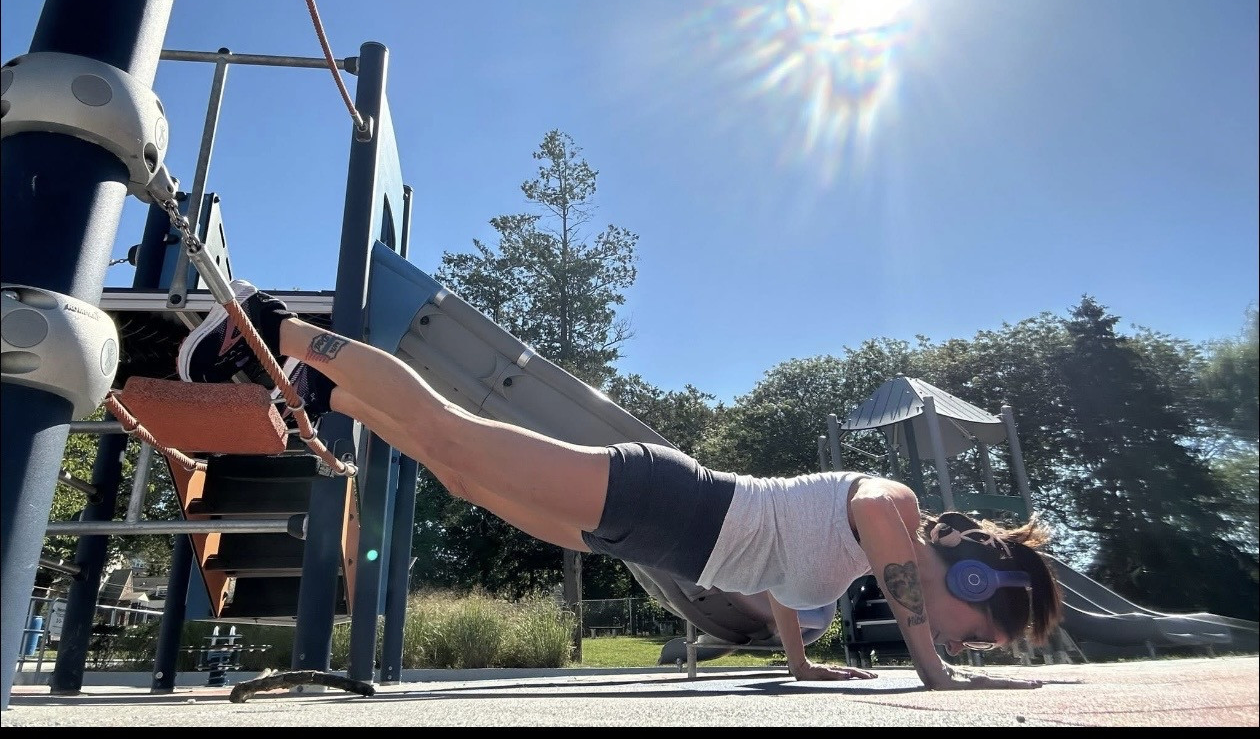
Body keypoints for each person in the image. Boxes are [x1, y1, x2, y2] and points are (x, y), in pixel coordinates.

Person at [179, 280, 1063, 690]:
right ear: (972, 578)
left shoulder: (859, 565)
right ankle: (277, 325)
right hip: (666, 500)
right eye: (979, 634)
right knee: (455, 433)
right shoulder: (892, 510)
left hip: (641, 535)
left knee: (456, 472)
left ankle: (330, 390)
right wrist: (933, 669)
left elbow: (779, 580)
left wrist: (800, 662)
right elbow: (870, 524)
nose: (968, 646)